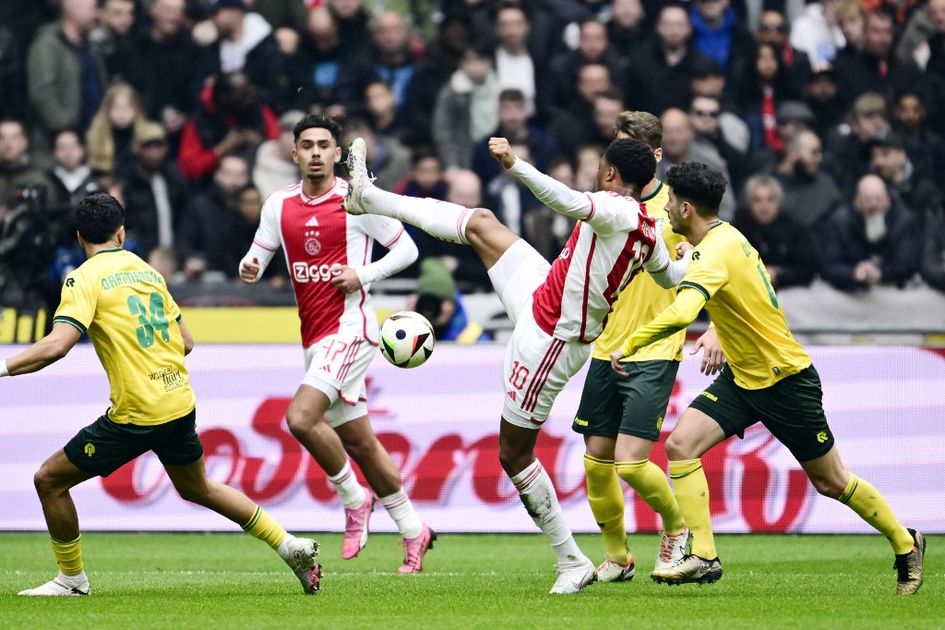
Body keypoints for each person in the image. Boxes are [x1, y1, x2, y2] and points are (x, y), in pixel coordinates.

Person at [342, 133, 691, 594]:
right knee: (481, 223)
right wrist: (688, 259)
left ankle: (570, 560)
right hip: (543, 291)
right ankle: (369, 198)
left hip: (551, 341)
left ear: (610, 173)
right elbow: (669, 276)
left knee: (513, 454)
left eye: (599, 165)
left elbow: (563, 199)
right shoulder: (647, 229)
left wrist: (515, 164)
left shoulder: (615, 209)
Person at [609, 161, 925, 595]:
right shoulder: (727, 237)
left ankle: (906, 542)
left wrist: (631, 343)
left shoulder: (711, 254)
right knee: (680, 446)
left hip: (785, 381)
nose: (664, 210)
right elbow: (741, 292)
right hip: (742, 377)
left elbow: (683, 312)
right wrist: (714, 319)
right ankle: (704, 555)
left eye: (670, 203)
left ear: (685, 208)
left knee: (831, 481)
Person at [1, 193, 321, 597]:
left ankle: (71, 580)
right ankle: (289, 544)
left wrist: (4, 367)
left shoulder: (83, 278)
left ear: (79, 237)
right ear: (121, 233)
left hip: (138, 412)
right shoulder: (148, 272)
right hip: (178, 401)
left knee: (49, 480)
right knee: (198, 487)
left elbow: (57, 345)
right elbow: (186, 342)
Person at [238, 115, 433, 573]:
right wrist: (250, 266)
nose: (315, 153)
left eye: (323, 145)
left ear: (337, 154)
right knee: (361, 443)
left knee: (300, 418)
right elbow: (258, 253)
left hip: (353, 329)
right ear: (294, 153)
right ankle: (414, 530)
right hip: (314, 337)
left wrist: (362, 274)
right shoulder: (278, 204)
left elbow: (407, 250)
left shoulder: (356, 200)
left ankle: (353, 498)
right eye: (307, 145)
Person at [573, 110, 722, 584]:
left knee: (631, 463)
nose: (619, 160)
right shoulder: (604, 204)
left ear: (655, 155)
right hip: (606, 346)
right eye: (615, 149)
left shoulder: (677, 206)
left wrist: (717, 328)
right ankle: (618, 559)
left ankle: (677, 528)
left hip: (655, 348)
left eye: (630, 149)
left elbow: (718, 261)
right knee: (596, 462)